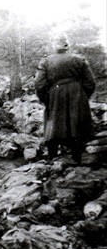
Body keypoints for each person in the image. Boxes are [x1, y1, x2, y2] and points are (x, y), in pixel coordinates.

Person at [34, 35, 96, 163]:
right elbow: (90, 82)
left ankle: (52, 157)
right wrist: (83, 96)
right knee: (76, 124)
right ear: (67, 46)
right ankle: (77, 157)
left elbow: (39, 83)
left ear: (54, 46)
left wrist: (45, 98)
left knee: (54, 123)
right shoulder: (79, 59)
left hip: (55, 94)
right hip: (77, 93)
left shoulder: (46, 61)